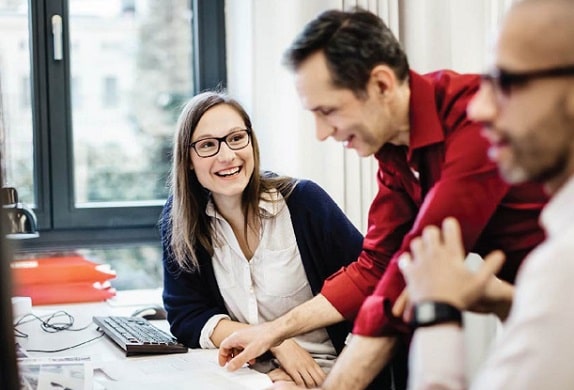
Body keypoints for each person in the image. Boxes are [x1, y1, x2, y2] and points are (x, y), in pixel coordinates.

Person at [218, 8, 549, 389]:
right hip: (535, 308)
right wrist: (273, 332)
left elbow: (406, 273)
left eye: (328, 111)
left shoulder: (473, 119)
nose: (322, 132)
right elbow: (375, 266)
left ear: (381, 85)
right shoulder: (395, 152)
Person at [397, 0, 574, 388]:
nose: (478, 108)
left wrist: (436, 310)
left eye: (506, 82)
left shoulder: (562, 267)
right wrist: (513, 302)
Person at [159, 91, 365, 387]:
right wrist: (274, 340)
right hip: (252, 372)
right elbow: (185, 315)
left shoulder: (305, 203)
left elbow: (368, 288)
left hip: (330, 371)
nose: (227, 155)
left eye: (236, 138)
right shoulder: (179, 219)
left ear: (251, 142)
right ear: (188, 160)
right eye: (207, 145)